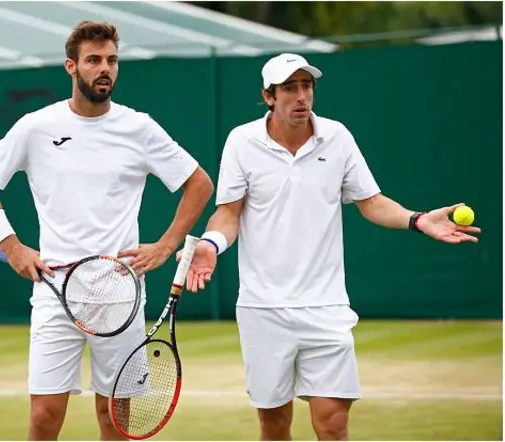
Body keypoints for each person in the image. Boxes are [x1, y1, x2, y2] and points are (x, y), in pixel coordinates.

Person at [180, 53, 481, 441]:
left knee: (334, 423)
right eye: (290, 88)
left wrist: (418, 219)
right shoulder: (242, 141)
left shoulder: (337, 137)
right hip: (263, 308)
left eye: (307, 86)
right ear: (269, 96)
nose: (301, 96)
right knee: (274, 426)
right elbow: (228, 213)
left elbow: (371, 202)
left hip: (326, 307)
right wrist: (210, 244)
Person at [0, 21, 213, 441]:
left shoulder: (140, 128)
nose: (105, 69)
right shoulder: (35, 126)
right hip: (53, 289)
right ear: (71, 67)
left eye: (112, 60)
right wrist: (12, 246)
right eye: (94, 60)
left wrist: (168, 245)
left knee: (113, 417)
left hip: (121, 292)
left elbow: (199, 182)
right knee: (44, 417)